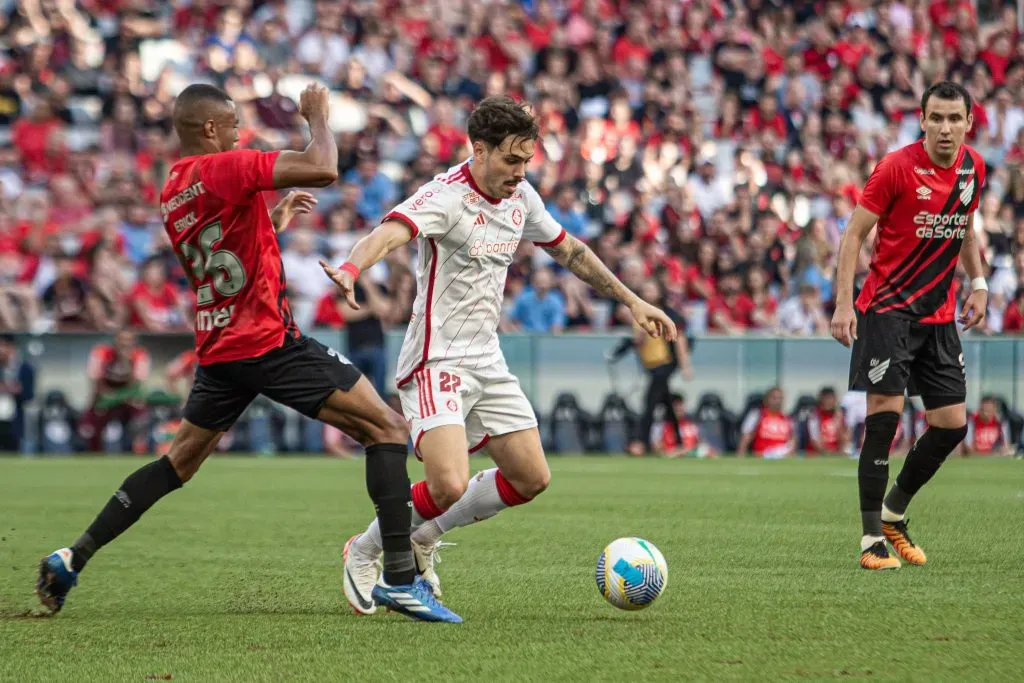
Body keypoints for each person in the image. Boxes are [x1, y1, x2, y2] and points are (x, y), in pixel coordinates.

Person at [36, 83, 459, 623]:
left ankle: (73, 557)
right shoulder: (226, 166)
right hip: (267, 341)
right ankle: (400, 578)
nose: (241, 132)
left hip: (220, 348)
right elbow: (323, 167)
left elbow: (223, 248)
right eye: (233, 123)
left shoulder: (172, 187)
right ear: (210, 129)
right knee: (388, 430)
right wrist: (318, 118)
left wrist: (272, 222)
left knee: (177, 463)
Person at [322, 96, 677, 613]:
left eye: (527, 160)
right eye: (511, 160)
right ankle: (365, 549)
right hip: (436, 358)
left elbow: (571, 250)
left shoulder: (521, 198)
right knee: (447, 483)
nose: (520, 172)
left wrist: (633, 300)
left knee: (531, 477)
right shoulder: (445, 196)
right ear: (479, 150)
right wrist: (353, 268)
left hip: (486, 360)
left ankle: (422, 537)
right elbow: (391, 232)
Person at [830, 81, 988, 571]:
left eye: (953, 119)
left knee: (952, 426)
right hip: (887, 311)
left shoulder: (973, 167)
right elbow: (854, 233)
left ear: (968, 122)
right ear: (921, 120)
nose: (944, 127)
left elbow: (962, 226)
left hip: (939, 317)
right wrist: (843, 304)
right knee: (884, 421)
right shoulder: (896, 167)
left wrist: (978, 281)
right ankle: (870, 540)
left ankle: (894, 512)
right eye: (935, 118)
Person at [624, 279, 692, 457]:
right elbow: (639, 342)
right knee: (667, 403)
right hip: (651, 365)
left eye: (651, 289)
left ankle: (641, 442)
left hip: (665, 362)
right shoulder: (638, 313)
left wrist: (685, 365)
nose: (648, 293)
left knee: (650, 402)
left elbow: (680, 339)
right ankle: (678, 442)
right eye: (645, 289)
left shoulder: (665, 313)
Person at [737, 387, 796, 459]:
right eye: (774, 398)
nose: (777, 401)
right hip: (762, 455)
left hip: (782, 455)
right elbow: (746, 437)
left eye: (780, 398)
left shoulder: (787, 419)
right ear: (766, 399)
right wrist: (740, 454)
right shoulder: (757, 415)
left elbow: (792, 439)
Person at [0, 334, 35, 452]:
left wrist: (15, 390)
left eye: (4, 346)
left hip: (15, 419)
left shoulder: (25, 369)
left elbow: (29, 395)